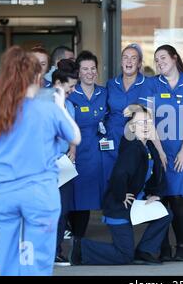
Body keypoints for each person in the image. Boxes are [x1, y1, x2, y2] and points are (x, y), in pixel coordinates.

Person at [0, 46, 81, 276]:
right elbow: (75, 137)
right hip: (39, 193)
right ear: (38, 76)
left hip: (3, 193)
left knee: (8, 264)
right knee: (38, 265)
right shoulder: (49, 108)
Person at [69, 104, 172, 266]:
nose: (145, 126)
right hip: (119, 206)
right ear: (131, 127)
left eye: (148, 122)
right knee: (124, 255)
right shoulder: (133, 148)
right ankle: (80, 247)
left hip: (136, 204)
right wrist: (121, 195)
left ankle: (144, 251)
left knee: (165, 214)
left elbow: (156, 174)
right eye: (140, 123)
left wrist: (155, 193)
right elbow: (118, 175)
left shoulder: (148, 146)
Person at [139, 44, 183, 261]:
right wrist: (159, 153)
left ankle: (182, 246)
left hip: (181, 148)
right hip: (158, 147)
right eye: (156, 60)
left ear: (175, 58)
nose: (159, 63)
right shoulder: (151, 84)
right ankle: (163, 247)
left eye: (163, 58)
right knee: (159, 198)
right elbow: (147, 119)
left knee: (177, 198)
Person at [67, 50, 108, 240]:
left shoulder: (104, 93)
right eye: (85, 69)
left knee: (86, 200)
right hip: (73, 153)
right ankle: (70, 236)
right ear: (78, 72)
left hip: (95, 154)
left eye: (93, 68)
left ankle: (79, 241)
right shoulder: (70, 94)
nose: (90, 72)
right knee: (72, 197)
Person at [102, 44, 148, 194]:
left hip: (135, 141)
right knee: (113, 182)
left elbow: (153, 110)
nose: (129, 61)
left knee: (134, 182)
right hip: (113, 139)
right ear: (121, 62)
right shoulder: (111, 84)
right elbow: (105, 111)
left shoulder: (148, 84)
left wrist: (136, 108)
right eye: (125, 57)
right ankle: (113, 216)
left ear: (139, 63)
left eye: (133, 58)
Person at [50, 59, 80, 266]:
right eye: (70, 86)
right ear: (58, 83)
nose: (73, 90)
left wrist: (72, 150)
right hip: (44, 165)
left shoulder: (69, 105)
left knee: (63, 210)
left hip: (64, 164)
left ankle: (56, 250)